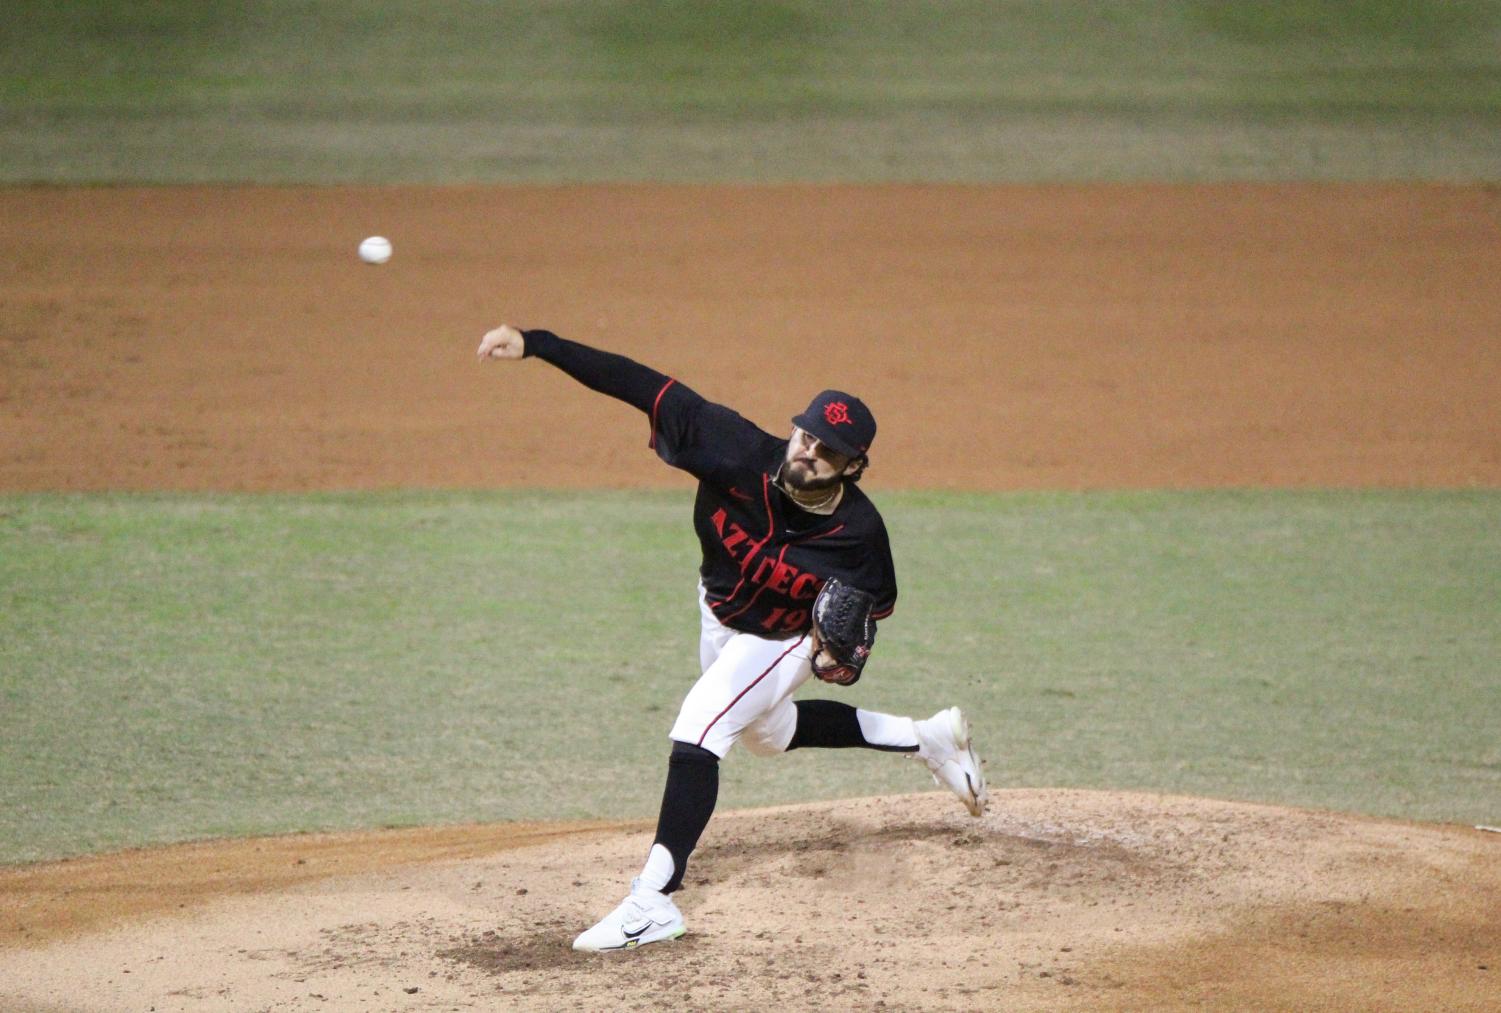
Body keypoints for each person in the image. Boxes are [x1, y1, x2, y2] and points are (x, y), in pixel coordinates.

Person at [476, 323, 987, 952]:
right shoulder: (732, 448)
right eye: (806, 435)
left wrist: (834, 650)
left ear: (853, 466)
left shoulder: (860, 535)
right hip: (718, 613)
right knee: (767, 736)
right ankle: (928, 738)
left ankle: (652, 899)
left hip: (779, 637)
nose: (808, 452)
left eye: (828, 451)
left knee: (700, 726)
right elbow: (638, 384)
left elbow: (873, 608)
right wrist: (537, 343)